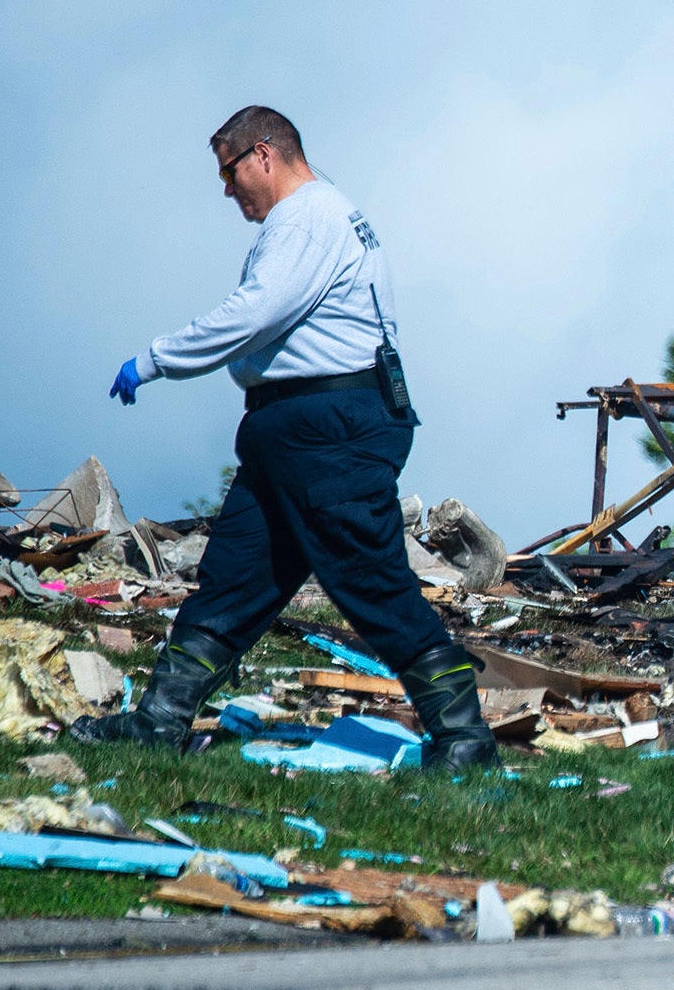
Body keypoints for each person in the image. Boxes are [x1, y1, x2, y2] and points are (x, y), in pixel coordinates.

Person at [71, 106, 497, 767]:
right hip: (295, 433)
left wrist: (156, 359)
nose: (226, 188)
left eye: (229, 170)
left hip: (328, 431)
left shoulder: (305, 218)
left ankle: (465, 736)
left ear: (264, 155)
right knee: (235, 577)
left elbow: (255, 311)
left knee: (371, 578)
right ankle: (159, 722)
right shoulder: (325, 216)